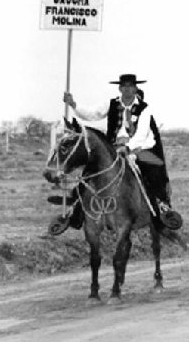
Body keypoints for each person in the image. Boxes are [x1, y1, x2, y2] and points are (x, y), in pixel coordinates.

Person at [55, 73, 181, 231]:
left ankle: (162, 207)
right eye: (125, 86)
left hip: (138, 148)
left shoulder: (144, 109)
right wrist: (73, 104)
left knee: (152, 171)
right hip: (113, 147)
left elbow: (142, 133)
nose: (128, 89)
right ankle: (76, 212)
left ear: (136, 88)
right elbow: (92, 114)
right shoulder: (111, 104)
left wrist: (128, 147)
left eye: (131, 86)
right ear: (120, 88)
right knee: (89, 172)